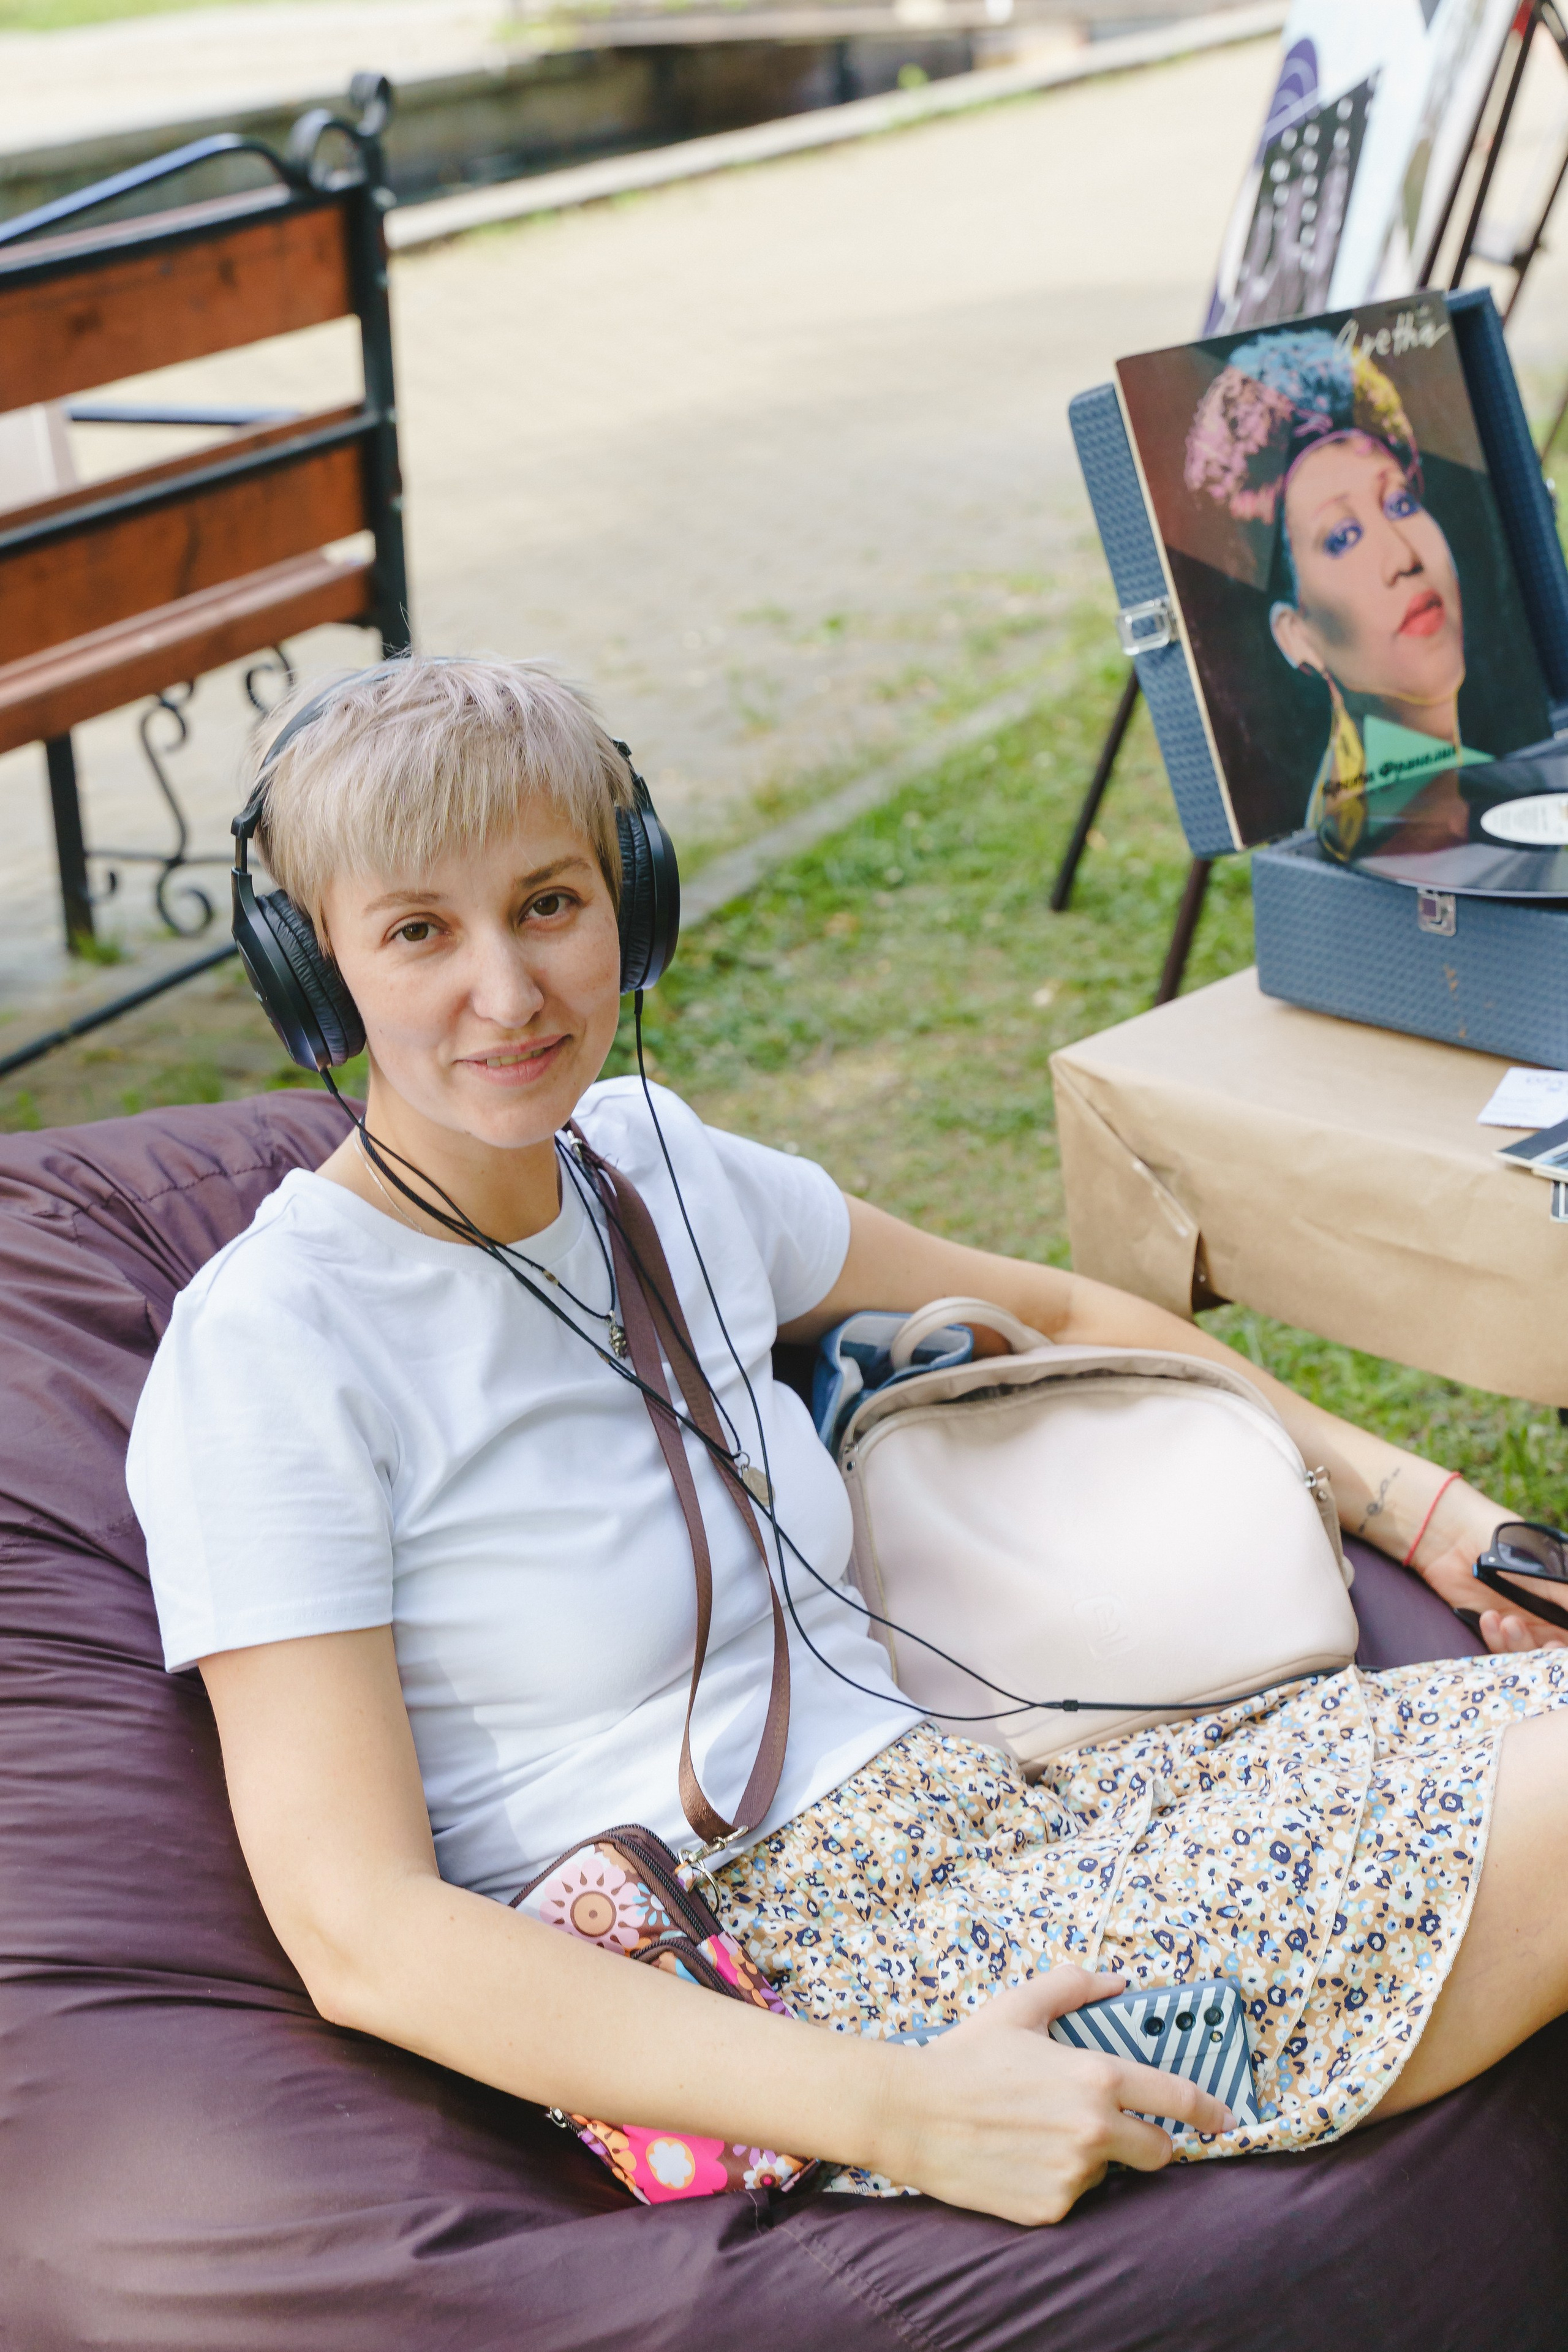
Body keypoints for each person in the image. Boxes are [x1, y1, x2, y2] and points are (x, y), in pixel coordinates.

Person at [128, 655, 1568, 2229]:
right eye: (418, 930)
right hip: (790, 1975)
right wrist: (909, 2104)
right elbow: (361, 1927)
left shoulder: (653, 1162)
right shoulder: (272, 1350)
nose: (508, 990)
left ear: (632, 899)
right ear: (314, 970)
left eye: (547, 901)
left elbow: (1055, 1303)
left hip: (1008, 1803)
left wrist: (1422, 1505)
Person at [1183, 327, 1490, 859]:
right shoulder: (1360, 841)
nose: (1403, 558)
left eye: (1398, 504)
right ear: (1296, 636)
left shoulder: (1491, 778)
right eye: (1342, 537)